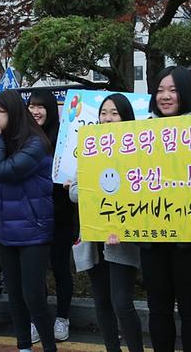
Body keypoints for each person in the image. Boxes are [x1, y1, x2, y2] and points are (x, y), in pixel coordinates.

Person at [0, 90, 57, 352]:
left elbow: (3, 172)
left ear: (13, 113)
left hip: (33, 231)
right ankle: (24, 347)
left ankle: (49, 347)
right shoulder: (0, 140)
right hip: (7, 231)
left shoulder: (36, 143)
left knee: (34, 297)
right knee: (16, 297)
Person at [141, 66, 191, 352]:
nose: (165, 96)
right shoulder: (141, 131)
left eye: (172, 90)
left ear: (186, 92)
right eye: (160, 90)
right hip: (152, 236)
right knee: (158, 307)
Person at [64, 93, 143, 352]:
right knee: (102, 301)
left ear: (126, 118)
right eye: (104, 113)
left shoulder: (139, 152)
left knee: (122, 302)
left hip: (123, 239)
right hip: (94, 238)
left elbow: (140, 190)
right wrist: (97, 186)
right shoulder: (89, 149)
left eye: (115, 113)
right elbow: (73, 193)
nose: (107, 118)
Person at [28, 89, 73, 343]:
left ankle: (62, 317)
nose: (36, 111)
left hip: (60, 215)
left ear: (51, 110)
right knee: (35, 272)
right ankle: (38, 320)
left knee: (60, 268)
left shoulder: (64, 137)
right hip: (32, 215)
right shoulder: (22, 137)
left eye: (41, 106)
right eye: (32, 106)